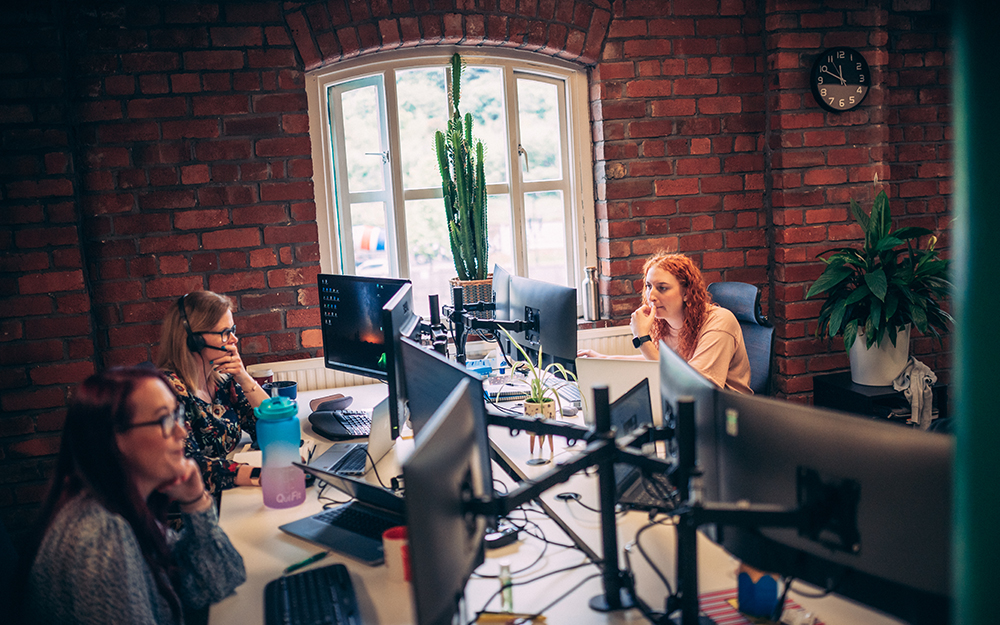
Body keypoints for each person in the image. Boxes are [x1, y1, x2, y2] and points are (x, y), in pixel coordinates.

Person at [21, 367, 246, 624]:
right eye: (164, 420)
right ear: (114, 439)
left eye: (177, 414)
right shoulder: (100, 534)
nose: (181, 432)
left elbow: (221, 580)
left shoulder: (126, 505)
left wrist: (195, 500)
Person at [578, 252, 753, 394]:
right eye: (648, 286)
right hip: (687, 412)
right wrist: (605, 359)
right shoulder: (665, 323)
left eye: (662, 288)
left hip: (726, 418)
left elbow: (694, 388)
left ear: (686, 293)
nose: (651, 296)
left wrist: (643, 339)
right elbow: (661, 363)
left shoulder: (719, 322)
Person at [156, 291, 269, 493]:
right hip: (195, 505)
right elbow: (188, 464)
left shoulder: (222, 379)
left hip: (229, 492)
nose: (234, 339)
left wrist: (243, 377)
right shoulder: (168, 392)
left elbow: (268, 424)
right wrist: (258, 474)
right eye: (225, 332)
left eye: (232, 329)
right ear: (194, 340)